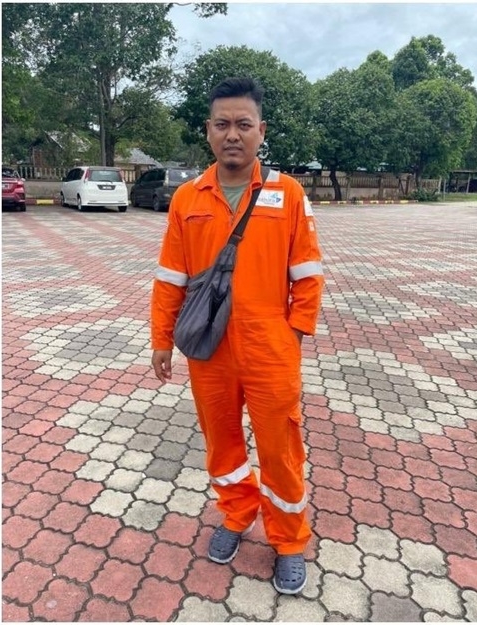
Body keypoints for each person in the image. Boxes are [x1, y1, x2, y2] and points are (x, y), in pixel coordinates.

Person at [150, 77, 324, 595]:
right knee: (221, 441)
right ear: (208, 132)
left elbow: (309, 273)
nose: (233, 134)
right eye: (222, 124)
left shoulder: (286, 192)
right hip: (209, 350)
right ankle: (236, 511)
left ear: (260, 131)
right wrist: (161, 338)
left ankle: (289, 540)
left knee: (280, 447)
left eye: (243, 125)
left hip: (270, 347)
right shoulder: (187, 197)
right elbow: (171, 276)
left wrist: (293, 333)